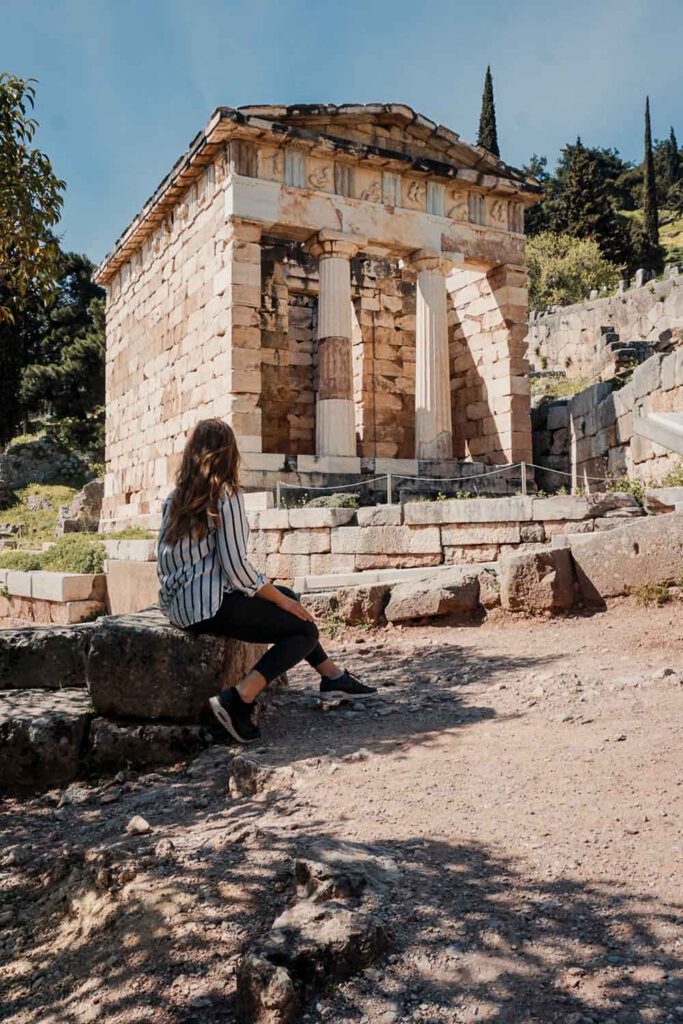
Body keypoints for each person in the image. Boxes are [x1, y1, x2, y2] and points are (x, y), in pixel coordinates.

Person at [156, 418, 376, 743]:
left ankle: (333, 676)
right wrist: (282, 601)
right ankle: (239, 699)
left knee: (287, 597)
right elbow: (236, 568)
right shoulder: (224, 495)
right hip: (208, 606)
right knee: (303, 628)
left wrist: (280, 596)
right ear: (229, 453)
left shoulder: (174, 499)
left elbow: (167, 562)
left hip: (179, 606)